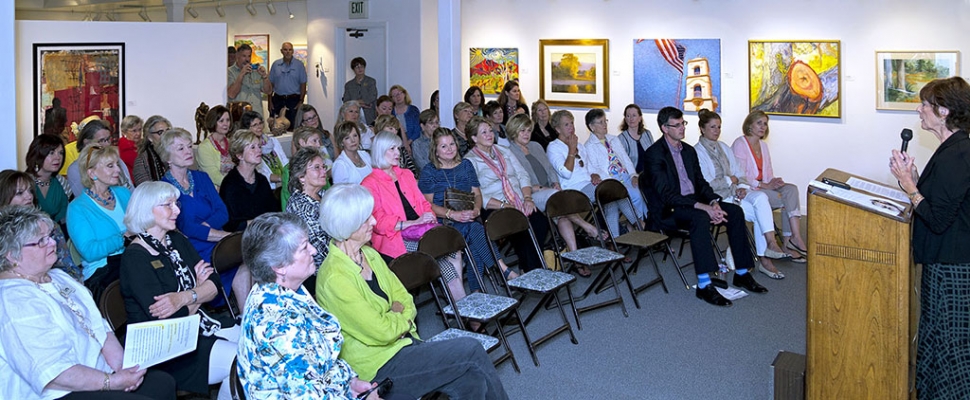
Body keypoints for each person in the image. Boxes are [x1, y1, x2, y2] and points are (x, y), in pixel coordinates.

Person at [314, 185, 510, 399]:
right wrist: (399, 317)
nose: (373, 221)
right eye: (365, 218)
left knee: (470, 379)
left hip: (404, 344)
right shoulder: (335, 278)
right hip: (379, 367)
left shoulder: (368, 254)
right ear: (346, 225)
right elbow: (382, 332)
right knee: (471, 350)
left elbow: (405, 299)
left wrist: (396, 316)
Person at [0, 205, 177, 400]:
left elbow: (99, 326)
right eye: (41, 241)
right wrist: (112, 382)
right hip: (57, 392)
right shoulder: (13, 300)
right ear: (12, 255)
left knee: (162, 383)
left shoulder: (58, 276)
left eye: (50, 236)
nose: (52, 243)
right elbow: (52, 372)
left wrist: (122, 368)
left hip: (96, 374)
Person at [236, 212, 401, 400]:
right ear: (280, 266)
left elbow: (318, 362)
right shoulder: (278, 324)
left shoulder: (285, 289)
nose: (314, 250)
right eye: (304, 247)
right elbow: (306, 396)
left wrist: (349, 382)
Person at [888, 76, 970, 398]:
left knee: (952, 349)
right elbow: (944, 201)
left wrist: (909, 186)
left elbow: (937, 219)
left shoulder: (959, 153)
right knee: (937, 340)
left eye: (925, 104)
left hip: (953, 267)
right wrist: (915, 180)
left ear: (944, 111)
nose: (919, 110)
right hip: (944, 262)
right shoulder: (952, 148)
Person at [120, 182, 239, 399]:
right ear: (147, 210)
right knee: (241, 360)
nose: (177, 210)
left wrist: (186, 296)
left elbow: (214, 283)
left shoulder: (174, 240)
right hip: (165, 349)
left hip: (197, 326)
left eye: (176, 204)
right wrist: (199, 290)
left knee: (258, 341)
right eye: (168, 205)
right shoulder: (136, 258)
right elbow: (172, 319)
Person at [642, 106, 768, 307]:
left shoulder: (689, 151)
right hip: (669, 210)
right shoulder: (654, 154)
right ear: (665, 128)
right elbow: (666, 195)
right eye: (677, 125)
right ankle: (704, 284)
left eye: (683, 123)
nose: (682, 128)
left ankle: (742, 273)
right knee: (699, 217)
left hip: (692, 203)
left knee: (734, 211)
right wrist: (703, 207)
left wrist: (713, 202)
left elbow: (701, 183)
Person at [693, 109, 797, 280]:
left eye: (719, 127)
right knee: (759, 213)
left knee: (761, 198)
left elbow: (739, 173)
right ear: (702, 129)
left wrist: (741, 185)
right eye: (712, 127)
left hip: (736, 193)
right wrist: (730, 180)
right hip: (718, 199)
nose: (717, 131)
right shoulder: (697, 152)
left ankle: (770, 244)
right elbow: (707, 183)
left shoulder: (724, 148)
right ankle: (765, 259)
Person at [157, 128, 250, 309]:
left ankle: (245, 317)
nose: (188, 152)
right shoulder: (164, 188)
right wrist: (224, 236)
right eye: (180, 148)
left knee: (248, 263)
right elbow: (185, 227)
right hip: (191, 248)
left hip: (215, 240)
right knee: (242, 255)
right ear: (168, 157)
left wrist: (206, 227)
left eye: (189, 146)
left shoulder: (202, 177)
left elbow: (223, 212)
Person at [418, 128, 517, 291]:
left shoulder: (466, 165)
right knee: (475, 229)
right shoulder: (429, 171)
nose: (449, 149)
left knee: (473, 236)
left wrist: (477, 209)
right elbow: (428, 206)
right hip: (444, 222)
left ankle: (477, 292)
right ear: (435, 150)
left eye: (452, 144)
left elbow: (477, 194)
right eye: (443, 146)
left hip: (468, 216)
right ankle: (502, 269)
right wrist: (453, 214)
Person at [506, 114, 605, 254]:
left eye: (529, 130)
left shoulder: (535, 146)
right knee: (555, 197)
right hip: (530, 194)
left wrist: (555, 183)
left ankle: (575, 255)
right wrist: (540, 188)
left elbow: (550, 169)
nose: (526, 134)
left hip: (551, 192)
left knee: (562, 217)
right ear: (513, 131)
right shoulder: (508, 152)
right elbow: (514, 181)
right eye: (522, 131)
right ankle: (588, 227)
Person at [545, 110, 627, 274]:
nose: (571, 128)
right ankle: (620, 237)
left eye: (572, 123)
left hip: (588, 185)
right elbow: (566, 173)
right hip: (573, 191)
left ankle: (615, 241)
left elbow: (588, 168)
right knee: (610, 193)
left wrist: (594, 174)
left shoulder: (580, 146)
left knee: (614, 192)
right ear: (557, 129)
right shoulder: (554, 147)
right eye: (566, 125)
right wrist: (571, 149)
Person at [466, 116, 548, 272]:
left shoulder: (504, 151)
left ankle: (530, 270)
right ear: (474, 137)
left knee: (539, 222)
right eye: (483, 132)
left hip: (518, 200)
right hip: (495, 207)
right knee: (520, 228)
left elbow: (522, 175)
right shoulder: (470, 161)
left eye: (490, 130)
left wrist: (528, 199)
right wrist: (506, 206)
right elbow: (477, 195)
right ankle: (535, 271)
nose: (490, 135)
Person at [731, 110, 808, 256]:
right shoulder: (740, 144)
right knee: (787, 200)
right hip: (748, 190)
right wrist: (764, 185)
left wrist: (773, 181)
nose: (763, 127)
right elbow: (740, 175)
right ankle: (789, 243)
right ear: (749, 125)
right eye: (759, 123)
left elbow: (767, 173)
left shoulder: (763, 145)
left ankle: (793, 239)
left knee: (791, 190)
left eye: (765, 124)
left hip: (764, 187)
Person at [66, 145, 132, 300]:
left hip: (132, 262)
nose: (118, 170)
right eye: (110, 166)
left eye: (117, 164)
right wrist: (124, 238)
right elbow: (89, 252)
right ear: (92, 173)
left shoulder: (123, 194)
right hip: (103, 273)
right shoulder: (78, 208)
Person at [361, 131, 437, 258]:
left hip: (420, 230)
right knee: (436, 251)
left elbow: (423, 203)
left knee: (452, 248)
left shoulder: (406, 174)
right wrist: (415, 223)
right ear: (380, 151)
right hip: (395, 239)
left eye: (398, 148)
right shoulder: (369, 183)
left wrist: (430, 217)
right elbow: (379, 223)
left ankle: (452, 277)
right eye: (392, 149)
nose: (398, 153)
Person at [0, 170, 81, 282]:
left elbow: (69, 269)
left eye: (30, 191)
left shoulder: (48, 226)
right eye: (20, 193)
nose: (29, 196)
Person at [583, 108, 648, 236]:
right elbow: (594, 169)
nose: (604, 125)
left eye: (605, 121)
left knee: (642, 190)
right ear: (592, 127)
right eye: (600, 122)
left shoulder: (613, 139)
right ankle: (643, 227)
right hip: (611, 179)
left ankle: (639, 226)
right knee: (635, 195)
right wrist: (614, 182)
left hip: (625, 175)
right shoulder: (589, 146)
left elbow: (626, 159)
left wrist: (633, 175)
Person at [220, 130, 281, 232]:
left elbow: (274, 212)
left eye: (259, 146)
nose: (259, 151)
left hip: (267, 233)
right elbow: (230, 224)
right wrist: (261, 222)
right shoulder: (230, 184)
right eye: (253, 147)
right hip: (241, 238)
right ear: (239, 155)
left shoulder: (262, 180)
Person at [284, 148, 332, 268]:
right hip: (318, 269)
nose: (323, 171)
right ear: (301, 177)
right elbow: (320, 250)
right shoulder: (300, 206)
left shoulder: (325, 195)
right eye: (317, 167)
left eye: (323, 167)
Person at [66, 120, 133, 198]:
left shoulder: (117, 161)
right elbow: (84, 199)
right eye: (101, 141)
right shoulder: (75, 169)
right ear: (87, 143)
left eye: (108, 139)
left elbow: (131, 189)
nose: (107, 144)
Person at [26, 134, 73, 229]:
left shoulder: (61, 181)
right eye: (51, 153)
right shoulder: (25, 183)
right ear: (38, 155)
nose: (58, 158)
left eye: (61, 153)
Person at [280, 126, 330, 209]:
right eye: (314, 141)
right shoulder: (289, 169)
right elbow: (287, 197)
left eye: (319, 141)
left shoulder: (321, 164)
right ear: (302, 142)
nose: (318, 145)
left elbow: (328, 189)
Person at [239, 111, 289, 190]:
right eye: (255, 125)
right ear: (247, 128)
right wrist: (282, 178)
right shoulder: (248, 148)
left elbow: (285, 162)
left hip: (284, 182)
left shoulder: (272, 141)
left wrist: (288, 177)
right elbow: (260, 174)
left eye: (260, 123)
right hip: (268, 186)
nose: (259, 127)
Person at [267, 42, 307, 125]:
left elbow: (303, 84)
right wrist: (269, 101)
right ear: (281, 51)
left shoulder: (299, 65)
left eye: (290, 50)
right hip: (278, 99)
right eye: (285, 50)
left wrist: (301, 101)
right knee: (275, 126)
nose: (288, 52)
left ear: (293, 51)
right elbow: (270, 84)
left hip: (293, 100)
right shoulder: (275, 64)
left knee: (294, 126)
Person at [227, 44, 272, 113]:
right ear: (237, 56)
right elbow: (231, 94)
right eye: (244, 56)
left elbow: (268, 91)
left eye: (249, 56)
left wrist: (264, 76)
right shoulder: (230, 72)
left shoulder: (256, 71)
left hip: (256, 115)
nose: (247, 59)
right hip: (240, 116)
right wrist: (241, 74)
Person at [198, 106, 235, 188]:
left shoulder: (232, 143)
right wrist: (236, 185)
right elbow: (214, 176)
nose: (226, 124)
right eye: (221, 121)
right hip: (214, 190)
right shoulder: (204, 147)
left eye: (228, 120)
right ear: (213, 122)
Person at [132, 115, 171, 186]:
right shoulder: (141, 161)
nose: (166, 135)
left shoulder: (175, 155)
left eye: (168, 131)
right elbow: (145, 191)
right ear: (150, 137)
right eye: (160, 132)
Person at [616, 104, 655, 174]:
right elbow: (620, 163)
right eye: (628, 116)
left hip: (649, 175)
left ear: (640, 118)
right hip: (631, 178)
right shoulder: (620, 138)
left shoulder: (647, 134)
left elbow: (654, 155)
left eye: (634, 115)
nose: (631, 119)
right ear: (625, 119)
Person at [342, 56, 379, 125]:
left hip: (369, 114)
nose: (360, 69)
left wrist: (356, 101)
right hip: (353, 115)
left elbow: (372, 96)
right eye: (357, 67)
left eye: (361, 66)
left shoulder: (371, 81)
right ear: (353, 69)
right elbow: (346, 101)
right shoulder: (349, 85)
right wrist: (360, 104)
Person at [411, 108, 438, 174]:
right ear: (422, 126)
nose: (435, 126)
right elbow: (422, 166)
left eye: (436, 122)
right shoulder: (417, 144)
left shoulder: (441, 141)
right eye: (431, 123)